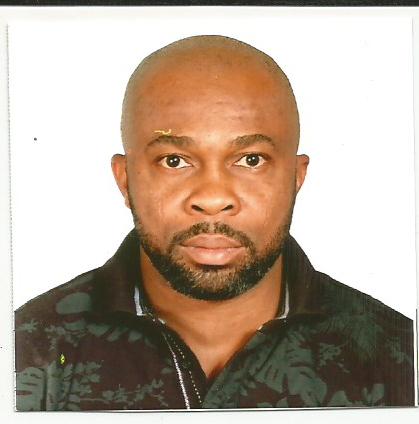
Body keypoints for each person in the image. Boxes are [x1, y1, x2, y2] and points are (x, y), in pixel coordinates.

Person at [15, 35, 414, 410]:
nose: (212, 199)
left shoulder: (399, 360)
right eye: (174, 161)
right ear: (125, 180)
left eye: (251, 160)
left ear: (296, 177)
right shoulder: (26, 351)